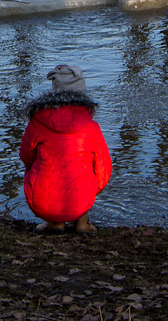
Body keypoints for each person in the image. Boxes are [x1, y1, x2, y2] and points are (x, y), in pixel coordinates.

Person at [19, 64, 112, 234]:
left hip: (42, 202)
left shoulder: (37, 122)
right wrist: (92, 188)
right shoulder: (90, 127)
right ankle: (82, 221)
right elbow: (104, 169)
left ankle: (55, 223)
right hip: (82, 200)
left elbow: (25, 157)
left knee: (38, 166)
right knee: (88, 170)